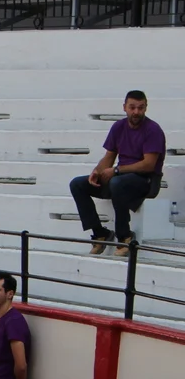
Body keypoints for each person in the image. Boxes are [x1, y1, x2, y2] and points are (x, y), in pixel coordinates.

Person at [68, 90, 165, 257]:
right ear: (124, 107)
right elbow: (109, 156)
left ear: (146, 108)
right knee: (77, 184)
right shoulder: (118, 127)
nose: (136, 112)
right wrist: (97, 172)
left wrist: (117, 170)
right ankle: (100, 234)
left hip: (146, 180)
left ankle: (125, 237)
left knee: (117, 183)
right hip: (121, 178)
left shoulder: (153, 130)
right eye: (132, 107)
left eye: (140, 107)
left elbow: (149, 165)